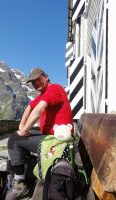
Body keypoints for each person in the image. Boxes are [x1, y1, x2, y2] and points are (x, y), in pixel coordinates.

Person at [6, 67, 73, 199]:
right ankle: (25, 173)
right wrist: (22, 124)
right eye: (33, 82)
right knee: (19, 135)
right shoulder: (45, 93)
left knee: (14, 140)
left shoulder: (55, 88)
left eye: (38, 80)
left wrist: (24, 130)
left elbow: (39, 109)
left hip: (57, 140)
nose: (36, 83)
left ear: (46, 77)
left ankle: (20, 184)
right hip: (51, 137)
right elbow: (30, 107)